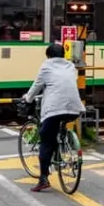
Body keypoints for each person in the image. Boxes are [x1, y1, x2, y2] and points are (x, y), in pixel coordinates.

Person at [20, 42, 84, 193]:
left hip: (54, 109)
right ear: (63, 54)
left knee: (46, 140)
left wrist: (27, 98)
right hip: (75, 108)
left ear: (48, 55)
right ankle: (64, 144)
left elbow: (37, 86)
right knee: (57, 129)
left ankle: (43, 179)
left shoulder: (46, 66)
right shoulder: (70, 66)